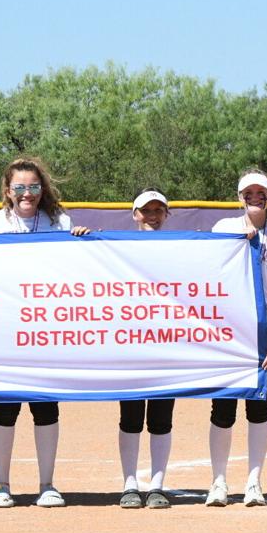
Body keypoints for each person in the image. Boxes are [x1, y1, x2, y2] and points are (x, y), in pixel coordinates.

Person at [0, 157, 90, 508]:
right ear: (8, 190)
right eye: (19, 187)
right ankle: (1, 484)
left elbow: (78, 269)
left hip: (46, 329)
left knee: (46, 406)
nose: (27, 194)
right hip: (5, 330)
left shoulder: (60, 221)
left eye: (33, 187)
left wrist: (80, 240)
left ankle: (47, 484)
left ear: (42, 189)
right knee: (4, 407)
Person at [207, 169, 267, 507]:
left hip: (263, 323)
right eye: (249, 192)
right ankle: (218, 482)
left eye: (262, 192)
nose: (255, 197)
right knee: (223, 406)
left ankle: (254, 482)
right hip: (229, 324)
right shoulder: (224, 229)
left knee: (259, 406)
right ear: (239, 196)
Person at [117, 189, 177, 509]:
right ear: (135, 214)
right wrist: (81, 239)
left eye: (158, 211)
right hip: (131, 343)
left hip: (166, 342)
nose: (152, 216)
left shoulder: (178, 248)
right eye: (146, 211)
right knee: (130, 415)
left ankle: (157, 485)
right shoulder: (117, 247)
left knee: (161, 415)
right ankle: (129, 483)